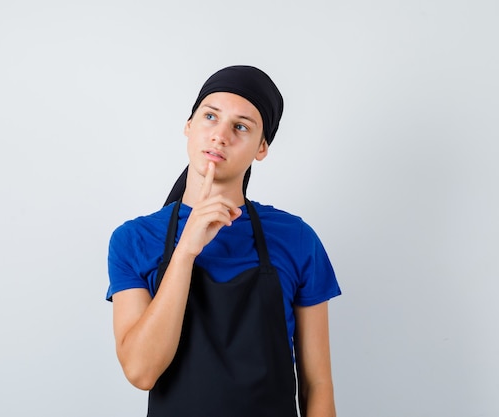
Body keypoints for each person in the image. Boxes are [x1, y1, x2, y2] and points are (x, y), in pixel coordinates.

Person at [107, 65, 341, 416]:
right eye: (210, 116)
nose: (220, 135)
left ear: (261, 148)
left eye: (241, 127)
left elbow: (317, 383)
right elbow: (141, 371)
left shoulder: (296, 239)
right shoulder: (134, 240)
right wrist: (186, 250)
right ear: (188, 126)